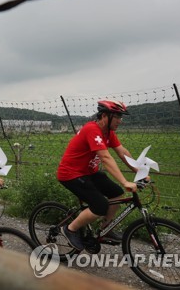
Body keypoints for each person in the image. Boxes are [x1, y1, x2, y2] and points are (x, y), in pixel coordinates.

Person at [57, 100, 139, 251]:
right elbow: (106, 157)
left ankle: (105, 230)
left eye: (121, 117)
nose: (120, 121)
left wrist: (139, 171)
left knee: (117, 193)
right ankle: (70, 229)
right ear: (105, 116)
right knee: (100, 205)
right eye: (117, 117)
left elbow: (122, 152)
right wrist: (124, 181)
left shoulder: (109, 133)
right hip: (71, 174)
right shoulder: (92, 129)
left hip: (88, 172)